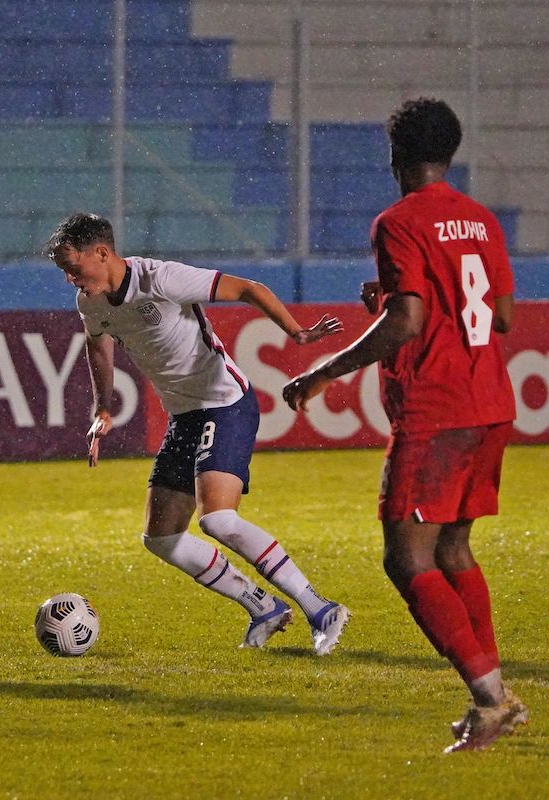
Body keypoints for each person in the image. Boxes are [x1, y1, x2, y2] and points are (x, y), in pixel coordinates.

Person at [282, 98, 528, 751]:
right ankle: (494, 696)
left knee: (406, 557)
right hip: (490, 403)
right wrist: (395, 300)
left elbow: (408, 323)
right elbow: (500, 316)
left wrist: (324, 371)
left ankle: (491, 698)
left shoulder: (398, 221)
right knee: (453, 551)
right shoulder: (480, 218)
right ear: (450, 152)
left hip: (439, 408)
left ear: (395, 157)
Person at [44, 212, 351, 655]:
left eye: (74, 267)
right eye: (64, 271)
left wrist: (296, 333)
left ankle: (320, 608)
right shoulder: (90, 303)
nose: (70, 278)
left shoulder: (162, 278)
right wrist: (104, 408)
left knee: (218, 520)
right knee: (162, 538)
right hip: (184, 416)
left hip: (224, 402)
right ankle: (263, 607)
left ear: (102, 253)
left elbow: (248, 289)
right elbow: (98, 343)